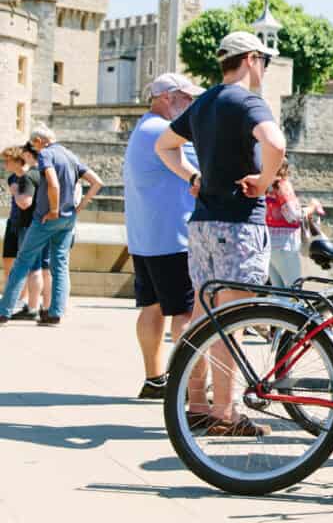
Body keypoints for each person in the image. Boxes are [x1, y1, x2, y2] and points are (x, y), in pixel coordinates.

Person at [155, 31, 286, 436]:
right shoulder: (247, 101)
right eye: (263, 60)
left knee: (201, 315)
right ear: (250, 59)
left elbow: (164, 145)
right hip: (240, 221)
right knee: (233, 321)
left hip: (203, 223)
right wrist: (265, 181)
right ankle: (226, 414)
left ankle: (195, 404)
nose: (264, 67)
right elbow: (275, 143)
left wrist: (191, 175)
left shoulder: (206, 101)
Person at [123, 74, 203, 398]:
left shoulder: (143, 128)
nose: (192, 106)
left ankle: (155, 379)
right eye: (187, 99)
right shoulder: (164, 132)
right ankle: (187, 385)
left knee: (152, 307)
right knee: (184, 313)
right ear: (169, 97)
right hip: (172, 237)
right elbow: (206, 168)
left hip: (146, 237)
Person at [0, 125, 102, 326]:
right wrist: (79, 207)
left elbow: (53, 183)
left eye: (33, 144)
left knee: (22, 262)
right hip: (68, 219)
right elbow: (97, 182)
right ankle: (54, 314)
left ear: (39, 141)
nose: (33, 149)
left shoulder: (46, 154)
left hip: (47, 218)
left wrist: (54, 209)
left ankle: (4, 311)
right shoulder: (70, 155)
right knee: (60, 265)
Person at [3, 146, 47, 319]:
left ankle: (30, 305)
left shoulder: (31, 176)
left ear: (16, 160)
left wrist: (15, 192)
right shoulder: (12, 178)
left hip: (29, 225)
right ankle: (20, 300)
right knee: (9, 261)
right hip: (14, 223)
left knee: (32, 267)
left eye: (7, 160)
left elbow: (25, 203)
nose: (5, 164)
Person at [264, 159, 323, 288]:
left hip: (269, 244)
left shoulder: (265, 185)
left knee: (278, 292)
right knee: (294, 289)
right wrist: (312, 207)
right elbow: (294, 215)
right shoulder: (282, 185)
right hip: (285, 245)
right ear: (285, 169)